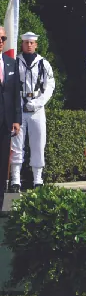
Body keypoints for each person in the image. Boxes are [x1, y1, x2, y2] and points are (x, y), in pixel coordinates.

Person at [12, 33, 55, 191]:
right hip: (19, 108)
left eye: (32, 42)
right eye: (25, 42)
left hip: (37, 108)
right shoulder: (15, 62)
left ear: (36, 44)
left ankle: (38, 179)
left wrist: (37, 103)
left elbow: (49, 86)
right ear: (21, 44)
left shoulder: (43, 64)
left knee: (38, 143)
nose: (29, 45)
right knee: (17, 145)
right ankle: (15, 180)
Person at [0, 27, 22, 193]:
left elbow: (15, 94)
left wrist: (17, 119)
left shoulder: (10, 63)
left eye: (3, 38)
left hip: (5, 122)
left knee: (2, 166)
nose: (1, 42)